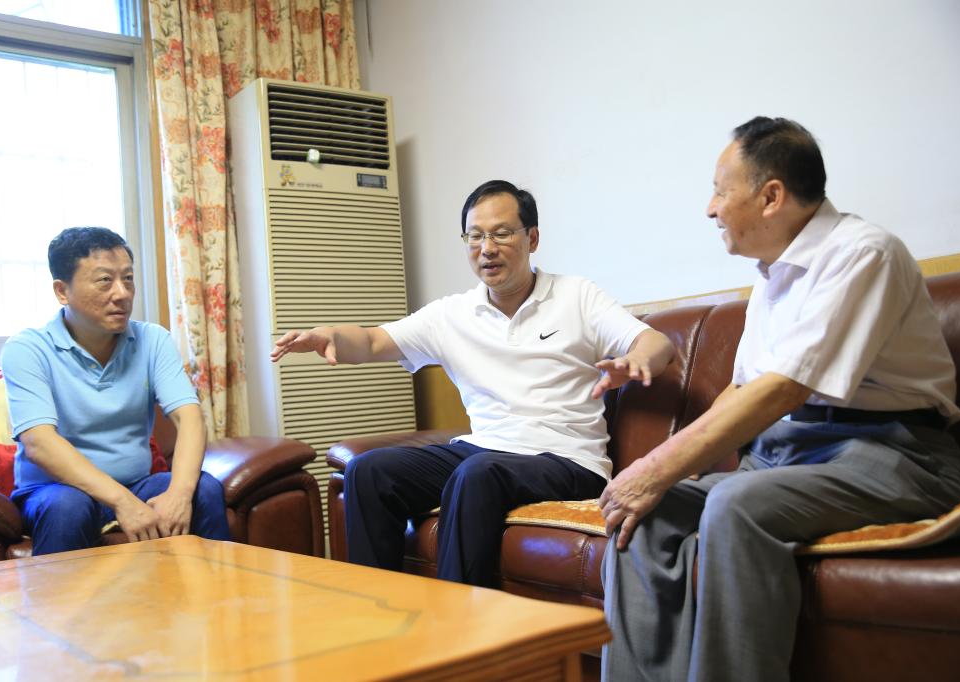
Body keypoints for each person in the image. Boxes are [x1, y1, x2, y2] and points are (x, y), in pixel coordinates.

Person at [599, 117, 960, 681]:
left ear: (771, 196)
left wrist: (656, 466)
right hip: (789, 453)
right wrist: (669, 473)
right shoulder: (771, 276)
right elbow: (744, 388)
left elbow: (787, 386)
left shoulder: (865, 253)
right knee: (642, 516)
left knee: (733, 503)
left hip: (896, 453)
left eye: (720, 191)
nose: (710, 209)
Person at [271, 179, 674, 586]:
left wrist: (637, 360)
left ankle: (460, 620)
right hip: (485, 451)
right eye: (475, 236)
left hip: (567, 458)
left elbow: (656, 343)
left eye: (501, 233)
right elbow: (374, 341)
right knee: (368, 471)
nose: (487, 248)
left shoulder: (576, 296)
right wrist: (330, 335)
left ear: (532, 238)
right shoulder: (452, 314)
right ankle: (380, 610)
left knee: (477, 473)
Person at [2, 227, 230, 555]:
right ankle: (56, 593)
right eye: (105, 281)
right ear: (62, 291)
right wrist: (123, 502)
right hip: (55, 491)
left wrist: (179, 494)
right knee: (69, 507)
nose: (122, 294)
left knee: (203, 490)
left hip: (136, 483)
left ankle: (217, 587)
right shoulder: (27, 348)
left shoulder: (152, 340)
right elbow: (39, 443)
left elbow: (189, 418)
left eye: (128, 279)